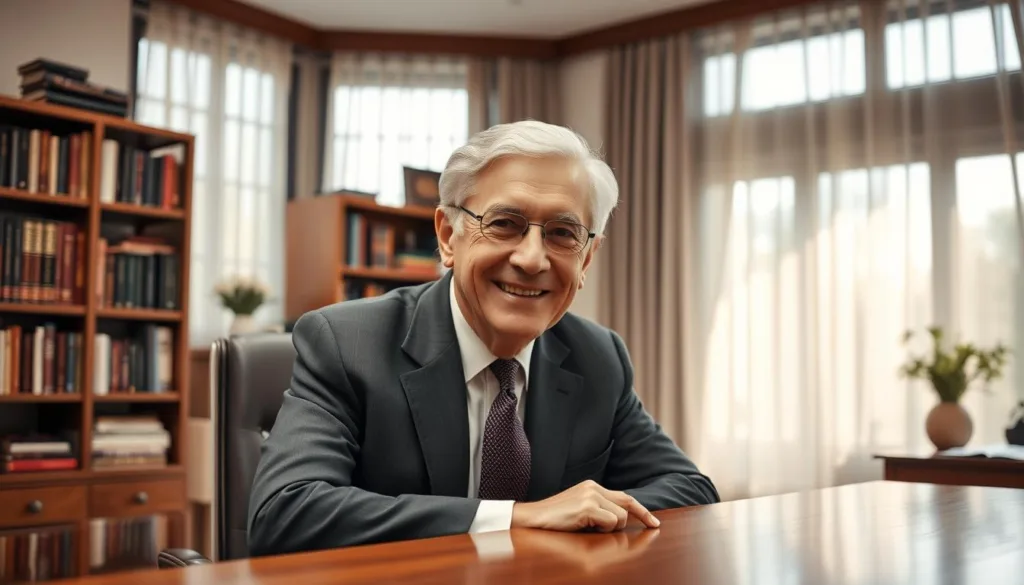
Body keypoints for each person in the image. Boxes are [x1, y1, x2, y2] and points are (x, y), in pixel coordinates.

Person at [247, 120, 719, 557]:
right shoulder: (346, 343)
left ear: (588, 258)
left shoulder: (599, 358)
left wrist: (590, 513)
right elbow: (285, 513)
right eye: (504, 224)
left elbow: (690, 489)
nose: (533, 259)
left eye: (562, 233)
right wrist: (516, 518)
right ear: (449, 236)